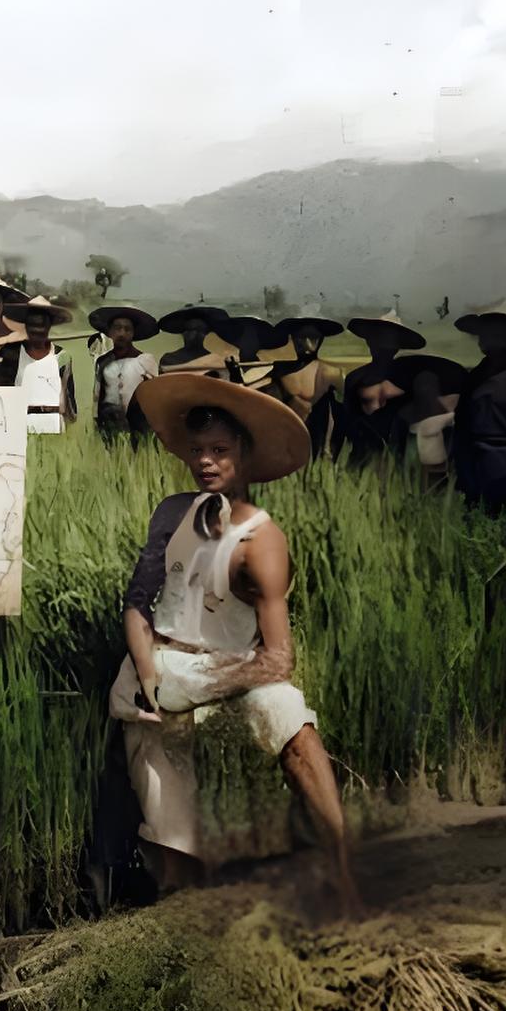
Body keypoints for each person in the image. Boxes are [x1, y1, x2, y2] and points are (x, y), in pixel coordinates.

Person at [110, 373, 359, 911]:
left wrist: (210, 684)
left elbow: (278, 658)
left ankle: (340, 866)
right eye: (197, 451)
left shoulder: (261, 540)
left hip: (229, 670)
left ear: (244, 455)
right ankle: (177, 911)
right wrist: (150, 675)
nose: (206, 462)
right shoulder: (171, 513)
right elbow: (137, 602)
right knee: (172, 844)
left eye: (220, 451)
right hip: (162, 667)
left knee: (290, 714)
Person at [451, 306, 506, 516]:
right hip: (476, 462)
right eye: (485, 334)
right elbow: (461, 423)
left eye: (497, 334)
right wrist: (460, 462)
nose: (489, 339)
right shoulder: (472, 378)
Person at [342, 313, 425, 465]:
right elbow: (347, 417)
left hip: (400, 454)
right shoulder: (355, 378)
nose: (382, 346)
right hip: (363, 451)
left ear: (397, 346)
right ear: (369, 342)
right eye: (378, 339)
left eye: (389, 340)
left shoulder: (409, 380)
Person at [271, 315, 345, 458]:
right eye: (300, 337)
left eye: (312, 338)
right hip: (286, 440)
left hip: (319, 440)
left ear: (320, 340)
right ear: (292, 338)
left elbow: (341, 413)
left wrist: (330, 446)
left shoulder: (330, 373)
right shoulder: (280, 372)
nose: (305, 343)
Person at [389, 355, 467, 485]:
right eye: (422, 386)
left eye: (430, 386)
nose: (426, 391)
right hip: (416, 466)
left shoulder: (445, 413)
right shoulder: (405, 415)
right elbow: (397, 444)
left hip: (440, 466)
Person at [4, 296, 77, 433]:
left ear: (49, 326)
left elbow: (69, 401)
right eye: (32, 324)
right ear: (25, 325)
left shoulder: (61, 356)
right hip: (19, 430)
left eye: (42, 324)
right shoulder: (12, 354)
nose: (37, 329)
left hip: (54, 428)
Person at [90, 306, 159, 440]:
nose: (122, 333)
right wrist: (96, 422)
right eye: (117, 328)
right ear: (109, 332)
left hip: (138, 426)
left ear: (133, 333)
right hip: (109, 424)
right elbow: (98, 394)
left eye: (127, 329)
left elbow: (155, 397)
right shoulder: (102, 361)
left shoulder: (145, 360)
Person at [156, 306, 232, 375]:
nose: (197, 334)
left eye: (201, 330)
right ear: (184, 333)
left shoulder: (220, 360)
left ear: (207, 333)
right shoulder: (169, 359)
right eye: (190, 329)